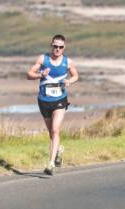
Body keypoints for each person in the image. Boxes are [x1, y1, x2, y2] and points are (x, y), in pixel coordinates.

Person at [27, 34, 79, 175]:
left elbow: (75, 75)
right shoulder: (43, 59)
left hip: (60, 100)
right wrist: (40, 74)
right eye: (55, 46)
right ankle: (59, 150)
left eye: (60, 47)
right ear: (51, 45)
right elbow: (29, 74)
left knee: (55, 130)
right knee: (51, 133)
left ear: (64, 48)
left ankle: (50, 164)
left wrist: (70, 81)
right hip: (44, 100)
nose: (57, 49)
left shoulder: (67, 62)